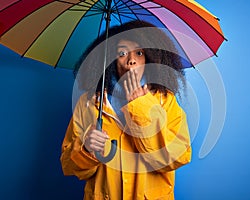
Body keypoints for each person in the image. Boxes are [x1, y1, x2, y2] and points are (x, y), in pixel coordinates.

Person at [60, 20, 192, 200]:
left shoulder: (164, 100)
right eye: (122, 53)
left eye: (139, 52)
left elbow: (179, 157)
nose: (131, 60)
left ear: (150, 57)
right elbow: (68, 166)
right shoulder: (89, 103)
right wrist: (86, 149)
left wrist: (142, 108)